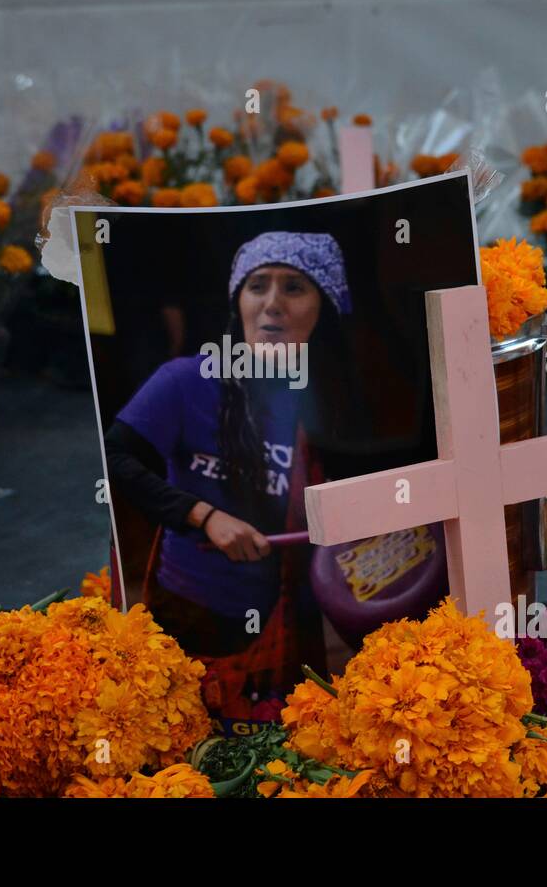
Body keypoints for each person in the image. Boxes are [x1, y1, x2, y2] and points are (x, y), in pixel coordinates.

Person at [104, 231, 352, 727]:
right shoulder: (185, 380)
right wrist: (203, 515)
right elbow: (116, 458)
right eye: (258, 285)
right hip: (191, 611)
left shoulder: (333, 400)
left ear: (324, 307)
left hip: (294, 617)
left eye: (294, 288)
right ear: (238, 300)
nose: (272, 304)